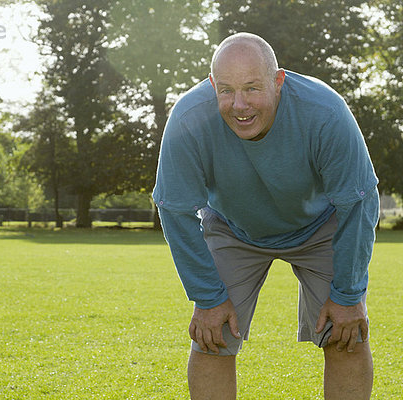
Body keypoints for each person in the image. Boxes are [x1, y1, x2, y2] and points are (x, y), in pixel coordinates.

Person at [153, 32, 379, 400]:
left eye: (252, 88)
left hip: (319, 226)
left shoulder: (325, 111)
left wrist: (349, 294)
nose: (239, 105)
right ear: (212, 85)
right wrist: (207, 299)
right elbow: (174, 209)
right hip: (233, 227)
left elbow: (359, 200)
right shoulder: (188, 118)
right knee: (213, 336)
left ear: (278, 81)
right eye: (225, 90)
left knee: (345, 334)